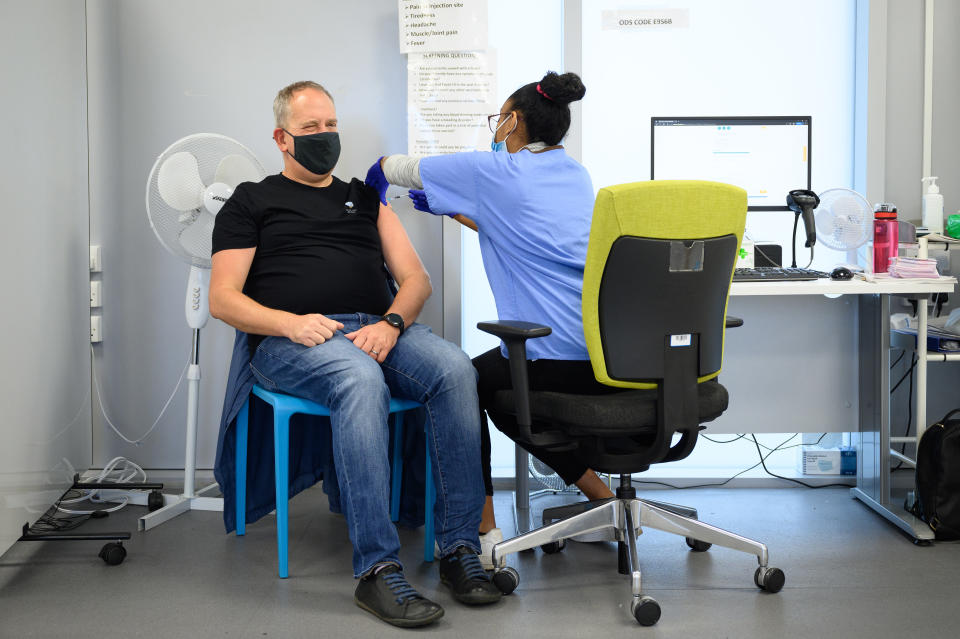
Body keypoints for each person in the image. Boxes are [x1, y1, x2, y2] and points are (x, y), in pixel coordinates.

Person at [209, 81, 501, 629]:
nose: (325, 137)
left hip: (377, 330)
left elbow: (415, 279)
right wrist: (290, 324)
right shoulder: (251, 201)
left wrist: (392, 324)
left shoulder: (365, 200)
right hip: (291, 341)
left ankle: (460, 550)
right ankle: (377, 570)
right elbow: (224, 299)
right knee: (359, 379)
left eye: (330, 125)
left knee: (456, 371)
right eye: (311, 128)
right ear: (282, 138)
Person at [365, 71, 617, 569]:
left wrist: (372, 191)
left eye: (497, 118)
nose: (494, 128)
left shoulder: (493, 171)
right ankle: (603, 499)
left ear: (514, 121)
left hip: (550, 352)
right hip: (604, 352)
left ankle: (484, 526)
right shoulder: (575, 175)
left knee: (466, 383)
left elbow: (395, 166)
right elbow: (530, 231)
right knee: (499, 392)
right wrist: (462, 214)